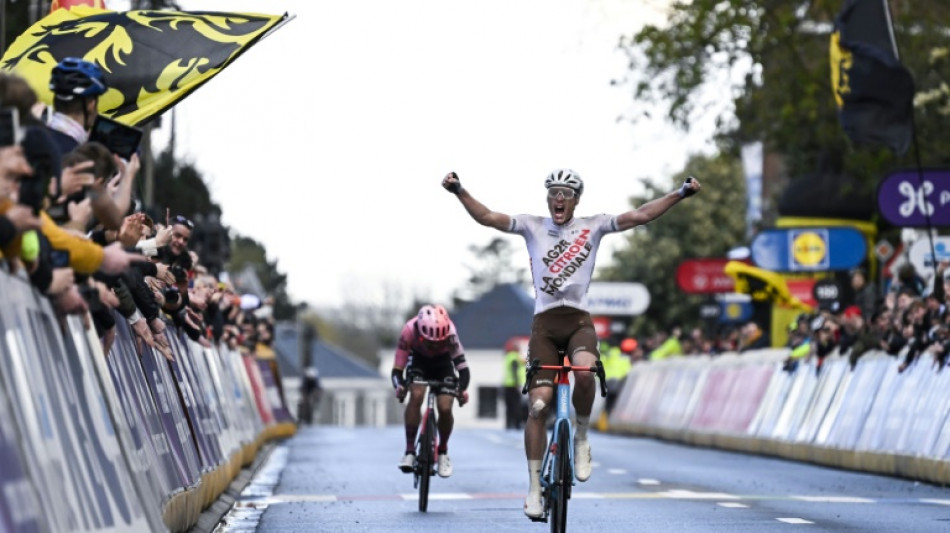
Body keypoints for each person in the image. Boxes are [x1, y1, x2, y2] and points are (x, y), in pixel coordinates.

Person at [441, 168, 700, 518]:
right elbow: (487, 217)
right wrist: (460, 190)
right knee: (537, 407)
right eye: (553, 193)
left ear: (577, 199)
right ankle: (534, 488)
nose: (558, 199)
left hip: (578, 321)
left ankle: (580, 436)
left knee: (585, 371)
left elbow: (641, 215)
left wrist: (679, 194)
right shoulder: (532, 226)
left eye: (566, 193)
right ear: (547, 199)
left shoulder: (594, 226)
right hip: (544, 326)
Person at [391, 304, 470, 478]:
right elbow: (397, 370)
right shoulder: (409, 331)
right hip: (419, 361)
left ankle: (443, 452)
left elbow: (463, 369)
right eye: (430, 342)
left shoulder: (450, 333)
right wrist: (400, 386)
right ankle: (410, 451)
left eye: (438, 343)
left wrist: (460, 390)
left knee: (445, 406)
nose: (434, 346)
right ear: (421, 334)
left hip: (443, 364)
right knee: (417, 394)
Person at [502, 338, 526, 430]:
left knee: (509, 406)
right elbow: (514, 370)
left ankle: (508, 424)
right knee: (516, 405)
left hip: (507, 384)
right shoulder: (514, 357)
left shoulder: (508, 356)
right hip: (513, 385)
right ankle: (517, 424)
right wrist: (517, 383)